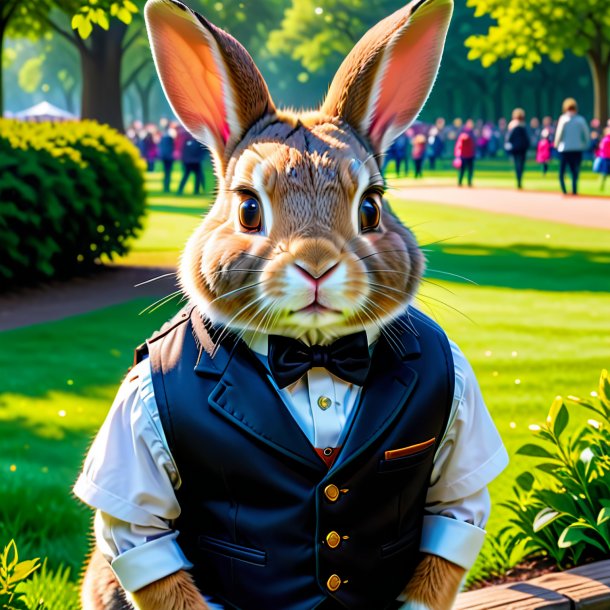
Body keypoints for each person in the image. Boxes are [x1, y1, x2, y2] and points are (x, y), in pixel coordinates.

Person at [554, 97, 590, 195]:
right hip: (577, 148)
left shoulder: (563, 119)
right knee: (575, 170)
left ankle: (564, 190)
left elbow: (559, 133)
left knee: (562, 171)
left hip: (565, 149)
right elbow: (586, 134)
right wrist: (586, 144)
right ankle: (574, 189)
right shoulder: (581, 120)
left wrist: (556, 144)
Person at [505, 108, 530, 189]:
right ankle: (519, 179)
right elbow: (527, 138)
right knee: (521, 165)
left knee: (517, 164)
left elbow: (509, 138)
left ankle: (518, 180)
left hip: (516, 148)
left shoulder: (512, 125)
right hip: (522, 148)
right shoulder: (523, 125)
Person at [158, 124, 176, 193]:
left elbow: (161, 147)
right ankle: (167, 187)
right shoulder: (170, 138)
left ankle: (165, 187)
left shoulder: (162, 137)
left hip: (164, 157)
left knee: (166, 172)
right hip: (169, 157)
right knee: (168, 173)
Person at [593, 127, 610, 191]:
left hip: (605, 157)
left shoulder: (604, 139)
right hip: (606, 158)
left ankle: (601, 186)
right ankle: (601, 186)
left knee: (604, 174)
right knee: (604, 174)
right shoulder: (606, 139)